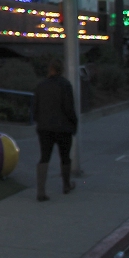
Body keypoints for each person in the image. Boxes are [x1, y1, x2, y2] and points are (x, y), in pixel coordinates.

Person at [33, 57, 78, 201]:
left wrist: (39, 121)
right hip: (63, 127)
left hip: (45, 127)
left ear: (50, 70)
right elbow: (69, 108)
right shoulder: (65, 85)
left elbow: (35, 107)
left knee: (44, 156)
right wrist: (74, 123)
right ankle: (66, 185)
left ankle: (41, 190)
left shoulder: (41, 86)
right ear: (62, 70)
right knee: (65, 157)